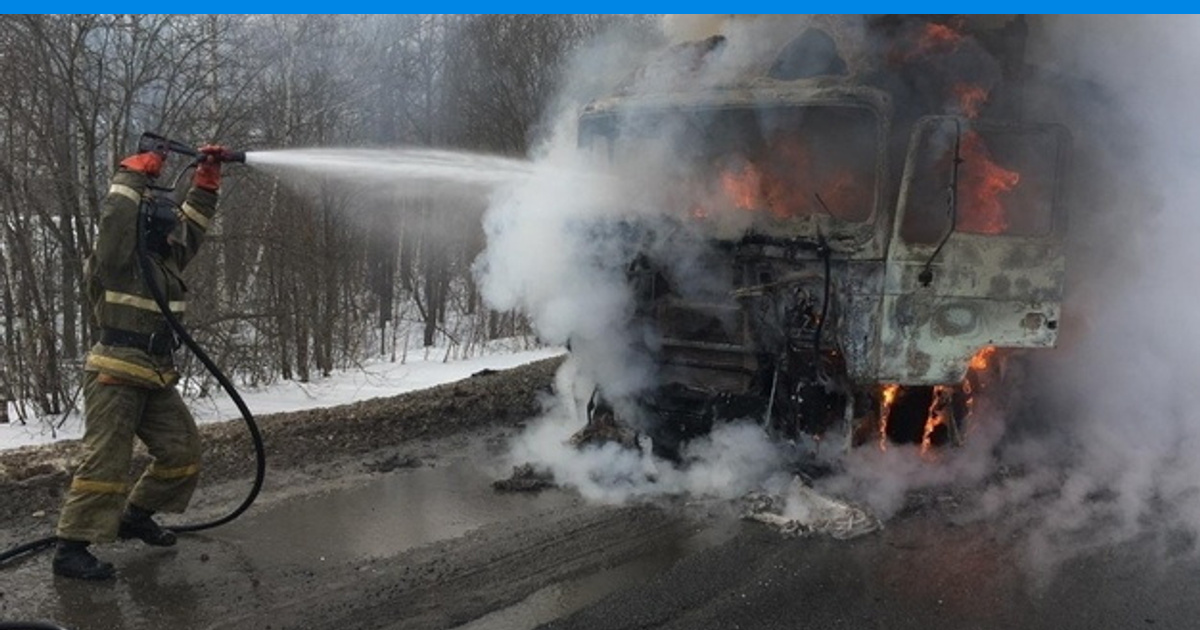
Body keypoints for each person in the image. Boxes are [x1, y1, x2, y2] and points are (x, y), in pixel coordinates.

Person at [52, 143, 227, 580]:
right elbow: (116, 218)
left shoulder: (164, 260)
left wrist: (205, 183)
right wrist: (131, 175)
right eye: (165, 227)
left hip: (155, 374)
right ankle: (71, 548)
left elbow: (194, 227)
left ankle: (135, 516)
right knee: (106, 463)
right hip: (115, 372)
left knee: (181, 453)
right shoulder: (116, 260)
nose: (172, 233)